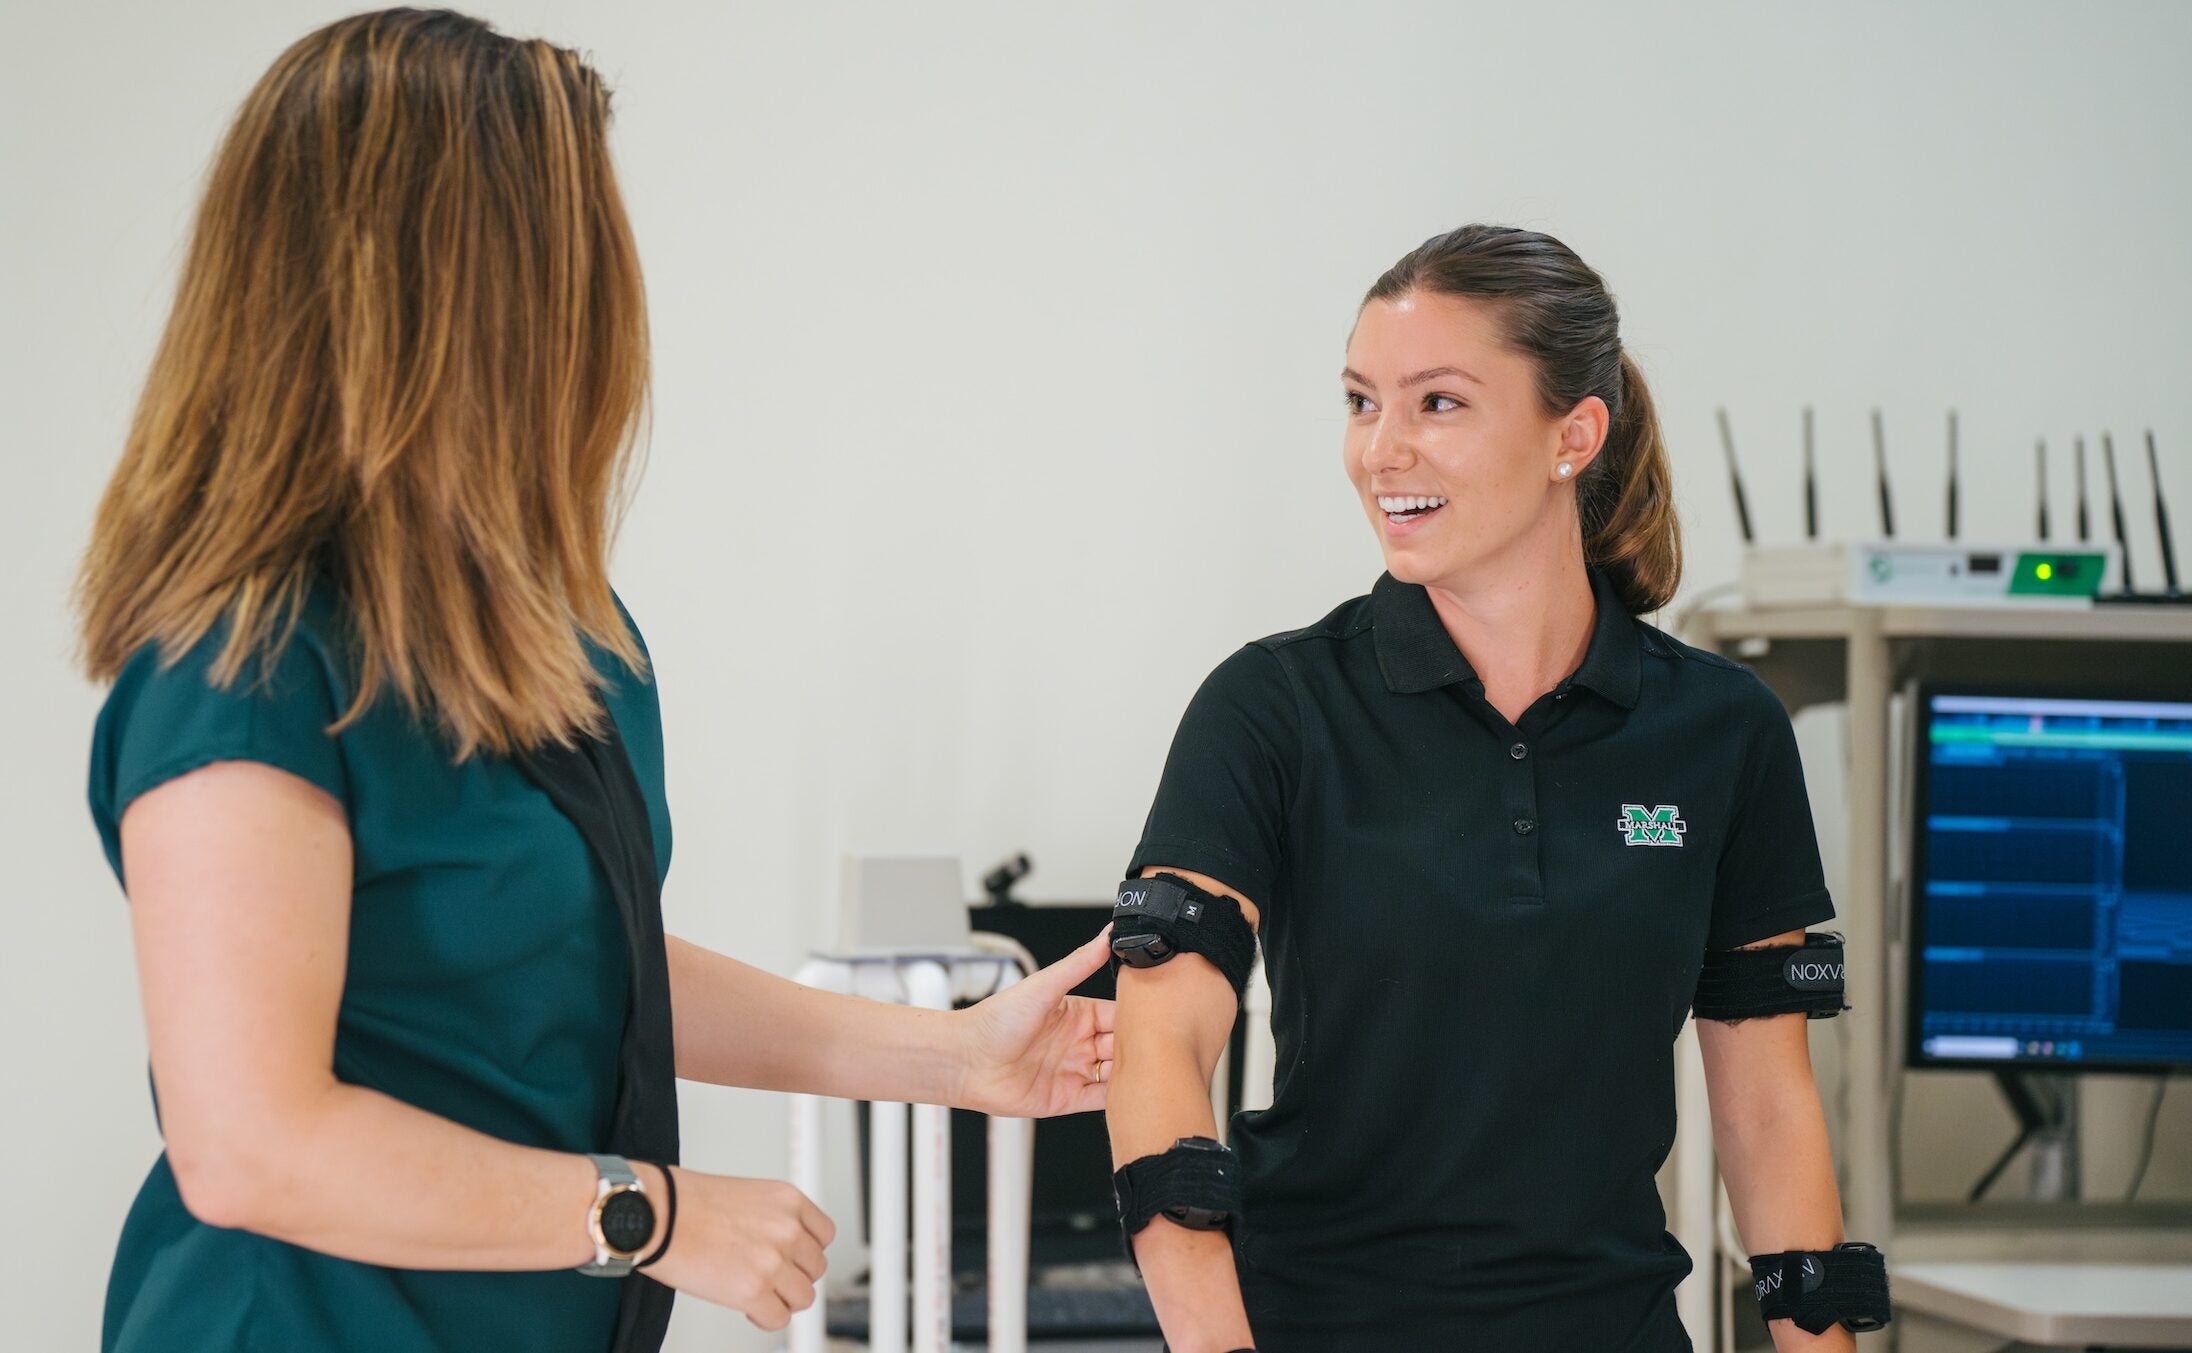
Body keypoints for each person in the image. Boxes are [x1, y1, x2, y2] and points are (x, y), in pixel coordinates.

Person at [75, 11, 1116, 1352]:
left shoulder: (563, 635)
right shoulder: (245, 667)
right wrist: (652, 1215)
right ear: (464, 290)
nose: (614, 293)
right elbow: (251, 1144)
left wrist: (956, 1057)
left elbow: (576, 962)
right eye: (580, 246)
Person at [1104, 224, 1888, 1351]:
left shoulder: (1719, 731)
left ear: (1573, 433)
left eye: (1437, 403)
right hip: (1317, 1323)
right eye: (1360, 401)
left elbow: (1765, 1105)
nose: (1381, 450)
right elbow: (1159, 1050)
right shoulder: (1271, 706)